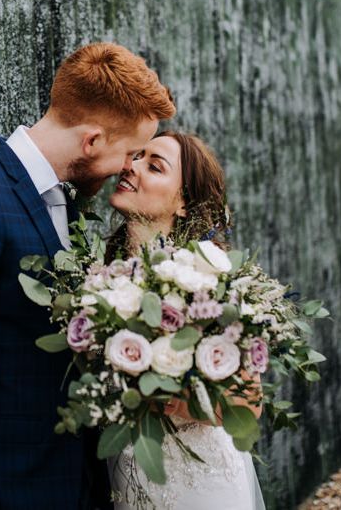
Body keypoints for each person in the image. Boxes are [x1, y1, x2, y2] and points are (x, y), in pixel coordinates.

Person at [0, 43, 176, 510]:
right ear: (92, 141)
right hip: (8, 492)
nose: (125, 169)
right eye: (128, 153)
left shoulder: (62, 204)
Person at [106, 131, 266, 510]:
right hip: (129, 476)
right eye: (136, 155)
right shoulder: (105, 274)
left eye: (154, 165)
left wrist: (166, 397)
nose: (131, 166)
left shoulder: (207, 272)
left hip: (197, 484)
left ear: (183, 203)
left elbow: (249, 403)